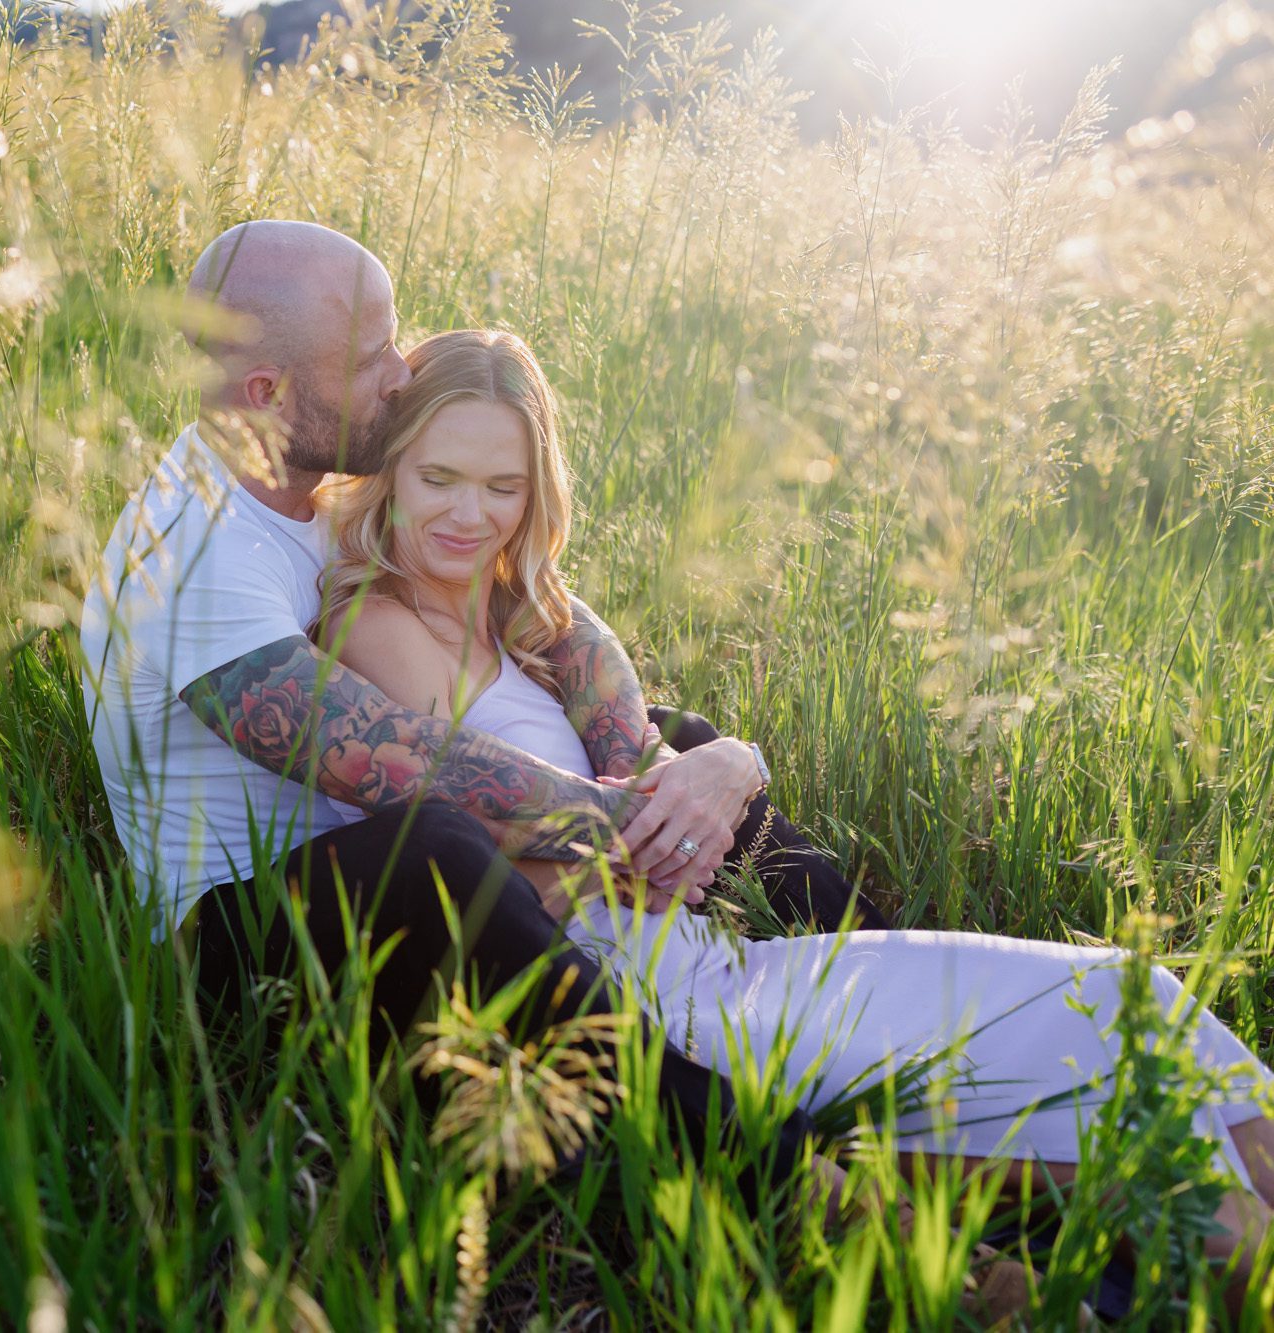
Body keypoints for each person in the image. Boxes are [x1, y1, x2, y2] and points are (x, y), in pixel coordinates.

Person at [313, 325, 1274, 1286]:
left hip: (713, 958)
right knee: (1131, 1087)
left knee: (1130, 1003)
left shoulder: (527, 618)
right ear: (389, 468)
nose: (469, 514)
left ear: (537, 492)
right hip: (643, 999)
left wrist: (721, 764)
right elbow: (480, 855)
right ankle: (1117, 1228)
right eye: (439, 476)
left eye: (503, 486)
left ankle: (1151, 1223)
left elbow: (654, 778)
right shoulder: (377, 625)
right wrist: (639, 838)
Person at [80, 219, 880, 1203]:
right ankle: (786, 1182)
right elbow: (387, 760)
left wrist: (670, 769)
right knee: (438, 844)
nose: (403, 368)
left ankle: (888, 1005)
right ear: (267, 394)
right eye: (372, 354)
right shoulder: (194, 554)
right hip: (249, 953)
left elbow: (558, 622)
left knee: (683, 751)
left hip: (388, 863)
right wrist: (633, 825)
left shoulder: (300, 486)